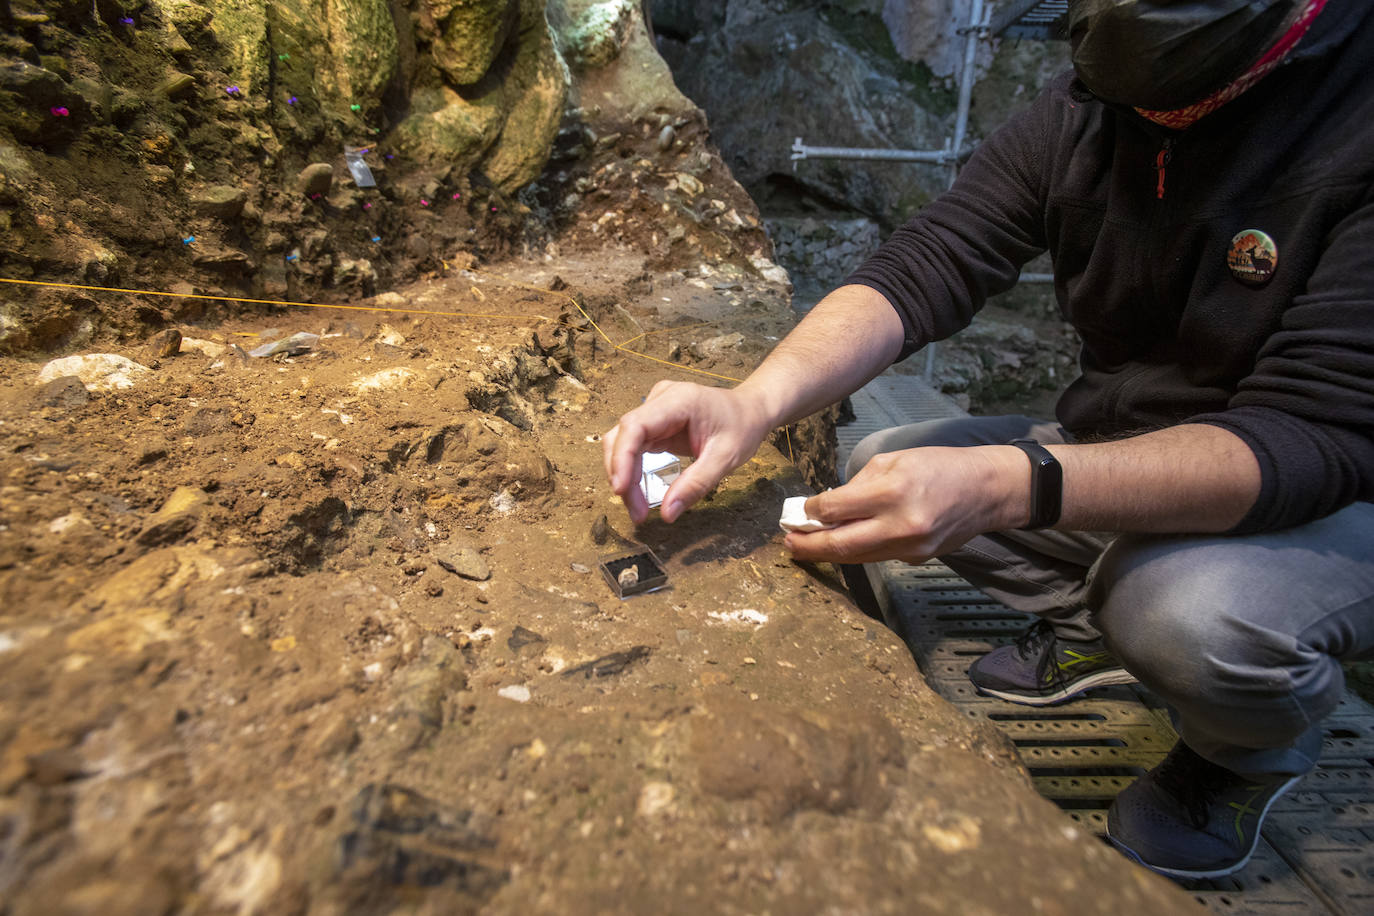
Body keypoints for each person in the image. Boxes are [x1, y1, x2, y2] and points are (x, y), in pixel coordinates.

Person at [604, 0, 1374, 881]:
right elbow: (933, 258)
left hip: (1325, 492)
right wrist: (755, 402)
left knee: (1176, 613)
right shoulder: (1092, 102)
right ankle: (1093, 625)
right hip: (1129, 439)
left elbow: (1309, 435)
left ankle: (1248, 753)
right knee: (872, 469)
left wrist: (1011, 483)